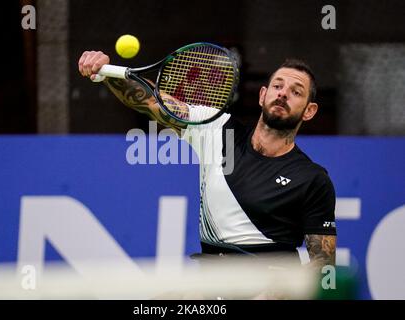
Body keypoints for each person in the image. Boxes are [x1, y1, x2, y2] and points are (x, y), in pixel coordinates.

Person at [78, 51, 336, 273]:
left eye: (296, 92)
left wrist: (283, 293)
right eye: (278, 86)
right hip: (213, 279)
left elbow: (324, 266)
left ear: (309, 110)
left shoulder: (312, 178)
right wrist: (107, 72)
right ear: (262, 95)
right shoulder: (216, 128)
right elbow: (151, 101)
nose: (283, 94)